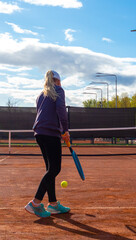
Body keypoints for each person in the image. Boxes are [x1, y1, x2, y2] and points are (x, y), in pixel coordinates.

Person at [25, 70, 70, 218]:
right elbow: (61, 110)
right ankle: (35, 203)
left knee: (50, 170)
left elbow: (41, 112)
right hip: (51, 133)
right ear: (57, 81)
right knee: (55, 169)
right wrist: (65, 130)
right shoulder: (58, 90)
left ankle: (53, 204)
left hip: (39, 133)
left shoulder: (40, 95)